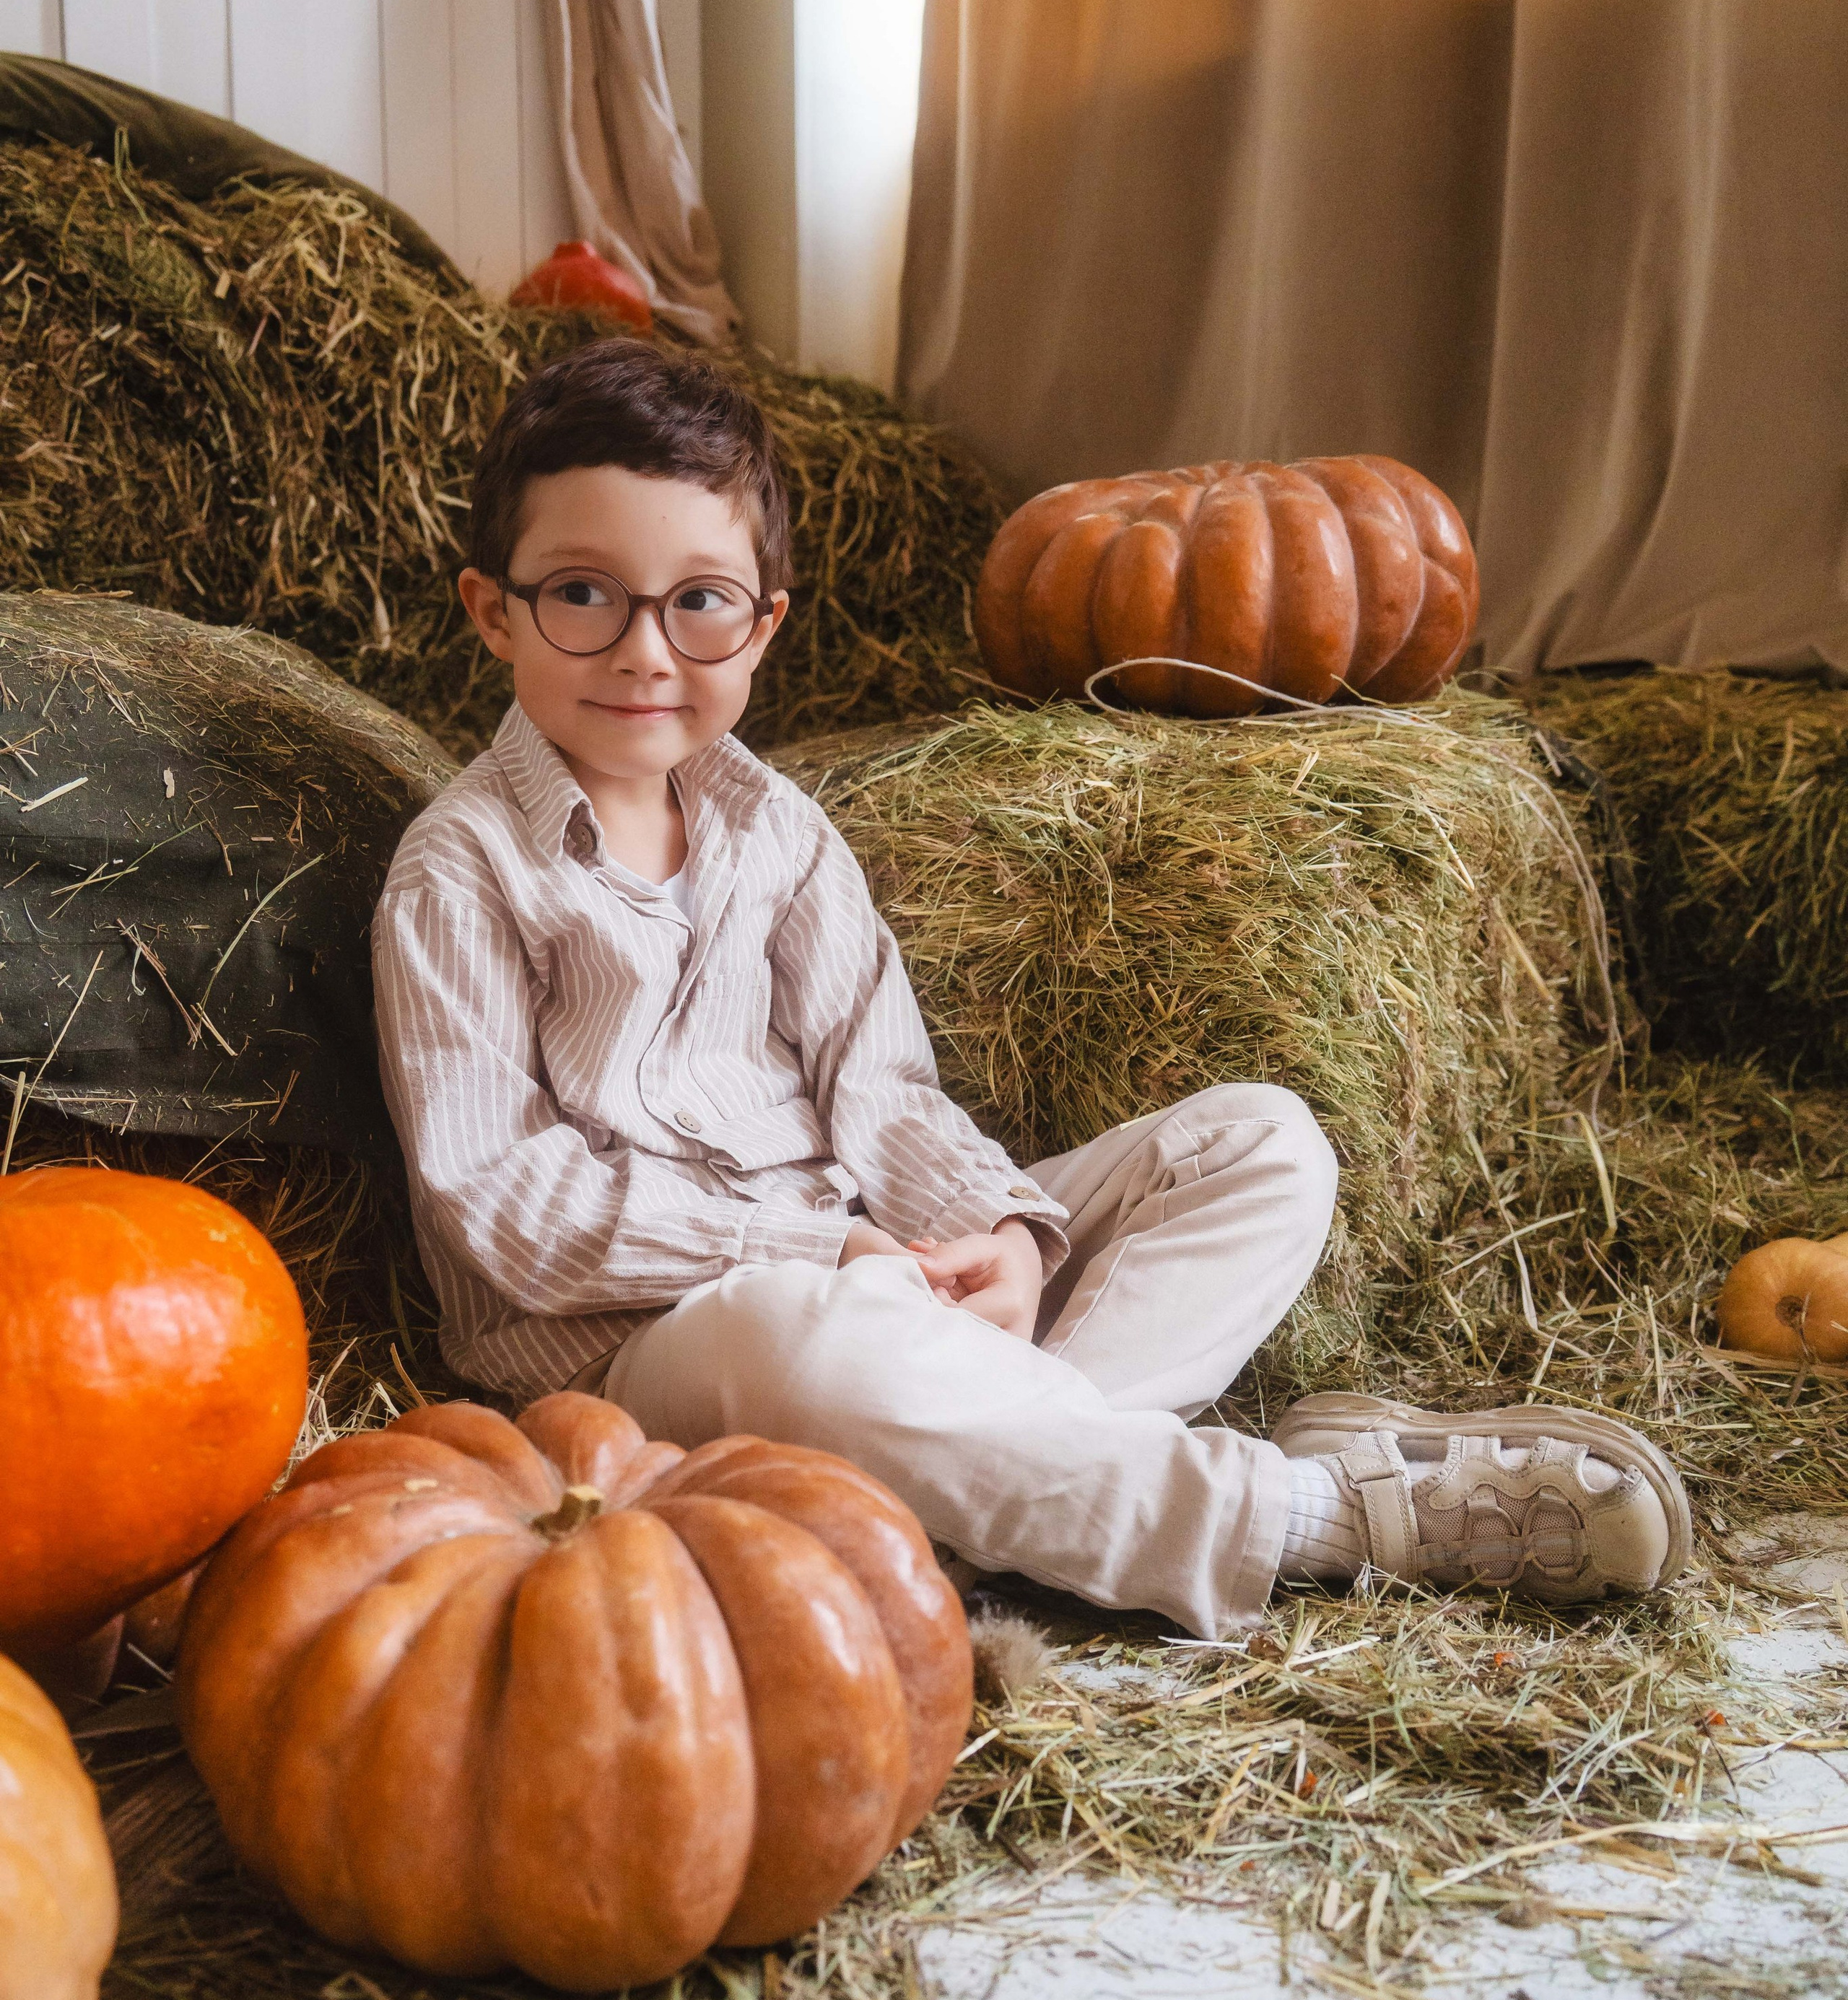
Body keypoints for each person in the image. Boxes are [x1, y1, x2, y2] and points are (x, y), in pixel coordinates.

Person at [372, 340, 1691, 1638]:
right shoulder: (461, 873)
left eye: (700, 600)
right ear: (495, 610)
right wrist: (822, 1251)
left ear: (765, 623)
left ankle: (1009, 1489)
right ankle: (1304, 1515)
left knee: (1264, 1143)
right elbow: (509, 1209)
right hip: (655, 1345)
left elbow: (882, 1092)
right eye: (585, 595)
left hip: (876, 1278)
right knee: (798, 1337)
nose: (647, 651)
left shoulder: (778, 831)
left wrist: (1000, 1229)